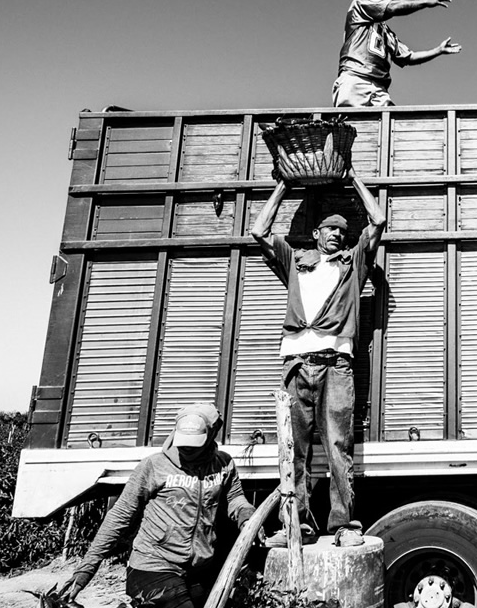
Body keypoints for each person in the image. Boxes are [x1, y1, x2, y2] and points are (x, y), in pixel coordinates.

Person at [250, 170, 386, 548]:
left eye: (342, 232)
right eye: (330, 229)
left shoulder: (352, 265)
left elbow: (377, 220)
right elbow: (259, 231)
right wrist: (283, 185)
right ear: (316, 234)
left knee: (339, 445)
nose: (337, 235)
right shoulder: (295, 262)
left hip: (335, 364)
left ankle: (343, 525)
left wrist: (354, 177)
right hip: (295, 364)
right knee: (294, 449)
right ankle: (297, 525)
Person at [59, 403, 255, 608]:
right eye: (183, 442)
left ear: (212, 433)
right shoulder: (154, 466)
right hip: (153, 566)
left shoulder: (223, 464)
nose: (186, 448)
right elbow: (119, 516)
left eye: (194, 443)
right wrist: (85, 570)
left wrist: (246, 515)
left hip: (199, 569)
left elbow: (235, 498)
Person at [332, 0, 462, 107]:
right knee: (351, 124)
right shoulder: (359, 5)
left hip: (379, 88)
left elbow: (409, 57)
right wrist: (426, 2)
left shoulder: (386, 33)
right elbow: (392, 8)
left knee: (392, 123)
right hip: (356, 79)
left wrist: (438, 51)